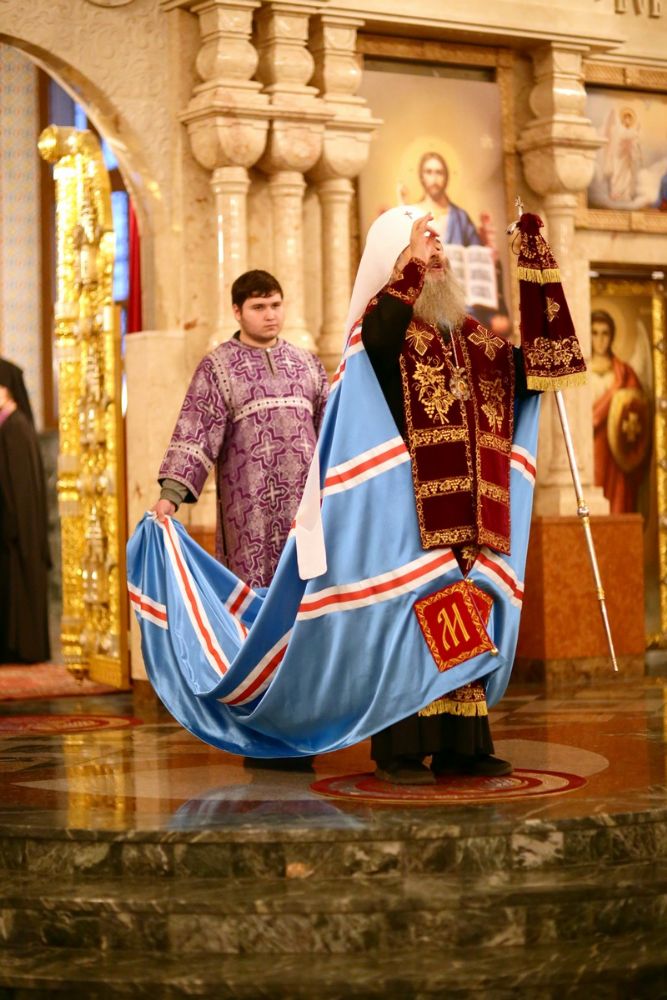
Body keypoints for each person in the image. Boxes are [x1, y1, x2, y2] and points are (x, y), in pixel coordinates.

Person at [361, 213, 538, 784]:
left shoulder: (474, 337)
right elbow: (378, 338)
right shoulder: (384, 326)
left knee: (465, 621)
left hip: (471, 509)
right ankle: (401, 750)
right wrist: (411, 266)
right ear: (396, 268)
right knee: (412, 626)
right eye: (419, 254)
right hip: (407, 507)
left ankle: (464, 745)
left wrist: (539, 277)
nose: (434, 259)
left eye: (439, 253)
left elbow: (536, 372)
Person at [153, 270, 329, 590]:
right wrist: (171, 497)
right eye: (258, 307)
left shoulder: (307, 364)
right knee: (254, 600)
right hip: (250, 514)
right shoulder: (218, 367)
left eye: (275, 305)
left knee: (309, 597)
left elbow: (331, 432)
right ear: (237, 311)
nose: (270, 315)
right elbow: (196, 431)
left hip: (307, 510)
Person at [402, 151, 509, 336]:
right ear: (421, 176)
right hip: (424, 297)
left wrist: (489, 252)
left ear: (447, 177)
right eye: (429, 172)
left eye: (439, 172)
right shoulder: (413, 215)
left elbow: (477, 256)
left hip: (459, 296)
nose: (434, 178)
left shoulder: (460, 217)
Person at [0, 360, 50, 664]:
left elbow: (18, 490)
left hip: (17, 533)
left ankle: (22, 649)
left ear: (6, 390)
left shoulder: (15, 427)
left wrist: (10, 525)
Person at [590, 309, 648, 514]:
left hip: (616, 450)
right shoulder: (581, 369)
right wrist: (613, 392)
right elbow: (586, 419)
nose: (600, 339)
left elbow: (637, 410)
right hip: (591, 446)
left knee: (618, 497)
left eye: (605, 333)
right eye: (595, 333)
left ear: (612, 336)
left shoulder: (623, 372)